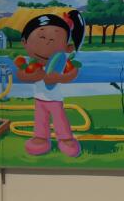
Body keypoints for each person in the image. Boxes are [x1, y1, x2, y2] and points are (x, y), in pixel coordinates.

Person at [16, 11, 85, 157]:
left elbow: (73, 72)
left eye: (55, 39)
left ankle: (66, 139)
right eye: (41, 37)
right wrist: (31, 75)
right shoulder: (31, 63)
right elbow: (21, 74)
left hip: (54, 99)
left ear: (67, 47)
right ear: (24, 42)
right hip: (39, 99)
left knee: (59, 118)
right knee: (40, 119)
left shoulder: (63, 61)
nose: (47, 43)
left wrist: (58, 78)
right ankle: (41, 138)